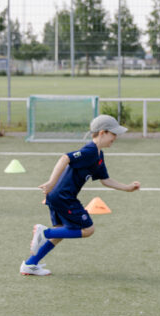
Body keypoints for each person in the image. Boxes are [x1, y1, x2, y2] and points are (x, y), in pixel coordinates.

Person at [21, 114, 140, 276]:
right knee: (88, 229)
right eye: (113, 133)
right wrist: (50, 182)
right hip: (64, 196)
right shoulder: (90, 150)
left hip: (57, 196)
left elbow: (105, 180)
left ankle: (30, 264)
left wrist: (127, 188)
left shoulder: (98, 155)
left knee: (61, 232)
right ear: (102, 132)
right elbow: (65, 158)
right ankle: (43, 233)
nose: (116, 137)